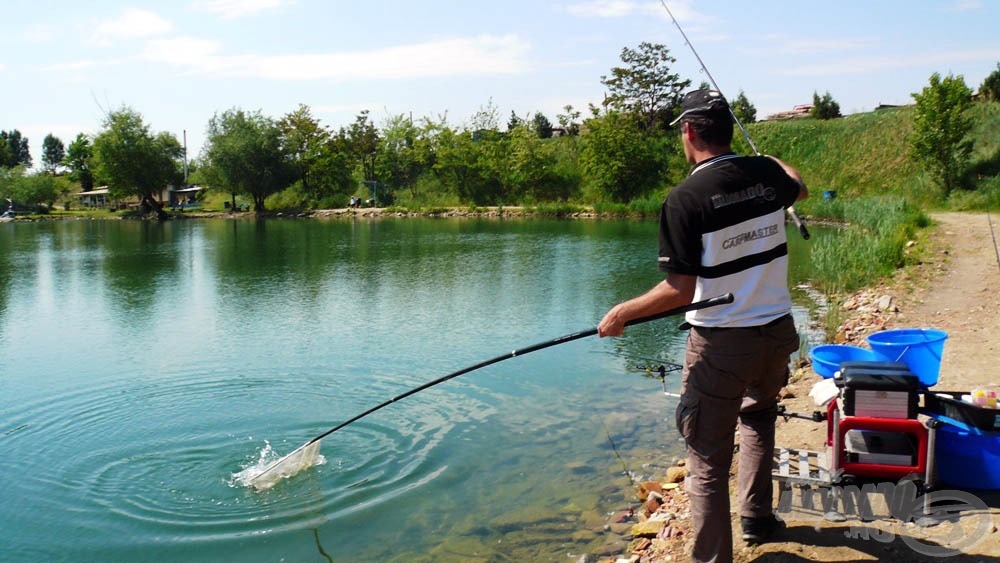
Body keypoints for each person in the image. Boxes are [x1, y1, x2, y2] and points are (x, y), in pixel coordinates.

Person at [598, 88, 808, 563]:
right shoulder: (768, 175)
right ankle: (757, 517)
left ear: (689, 132)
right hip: (776, 334)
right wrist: (769, 158)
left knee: (707, 460)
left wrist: (621, 314)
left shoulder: (685, 199)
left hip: (721, 345)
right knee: (758, 418)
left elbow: (680, 290)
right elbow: (800, 185)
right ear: (728, 131)